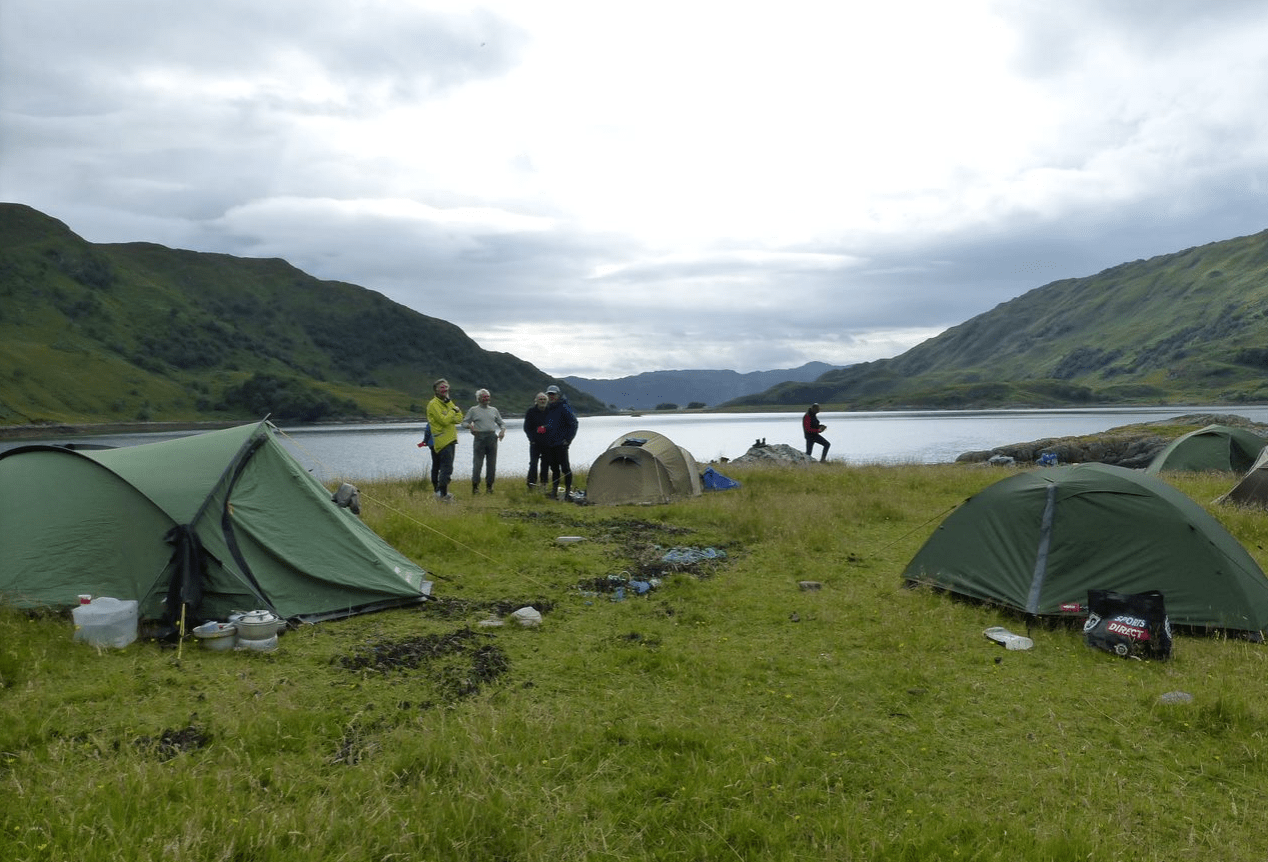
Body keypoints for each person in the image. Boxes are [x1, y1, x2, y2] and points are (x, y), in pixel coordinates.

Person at [537, 384, 578, 499]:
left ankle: (568, 492)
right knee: (554, 469)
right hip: (550, 444)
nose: (551, 396)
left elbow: (574, 424)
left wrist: (568, 440)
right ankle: (554, 492)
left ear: (558, 395)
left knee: (565, 468)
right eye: (549, 394)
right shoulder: (548, 408)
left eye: (553, 394)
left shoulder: (564, 407)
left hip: (561, 444)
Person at [461, 388, 506, 494]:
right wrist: (470, 427)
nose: (486, 398)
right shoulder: (473, 410)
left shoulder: (494, 410)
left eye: (487, 396)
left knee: (491, 464)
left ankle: (489, 487)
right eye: (484, 397)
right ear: (479, 399)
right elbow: (463, 423)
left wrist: (502, 431)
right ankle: (475, 487)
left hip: (492, 437)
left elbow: (501, 423)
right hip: (479, 438)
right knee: (477, 464)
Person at [426, 378, 463, 501]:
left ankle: (441, 492)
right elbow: (444, 420)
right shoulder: (433, 404)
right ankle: (442, 494)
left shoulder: (448, 403)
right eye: (441, 387)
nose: (445, 389)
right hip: (442, 440)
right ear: (435, 390)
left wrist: (451, 411)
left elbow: (459, 418)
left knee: (446, 467)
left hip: (451, 439)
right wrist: (453, 411)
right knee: (445, 468)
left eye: (446, 387)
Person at [523, 392, 549, 490]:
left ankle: (544, 484)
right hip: (535, 442)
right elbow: (526, 427)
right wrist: (531, 439)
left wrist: (546, 428)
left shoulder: (549, 411)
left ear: (547, 401)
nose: (542, 401)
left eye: (544, 399)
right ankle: (531, 484)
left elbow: (553, 425)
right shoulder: (530, 411)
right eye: (540, 399)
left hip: (547, 442)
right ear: (536, 401)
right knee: (533, 463)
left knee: (545, 464)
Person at [416, 421, 438, 492]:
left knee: (435, 465)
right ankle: (442, 486)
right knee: (444, 465)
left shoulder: (430, 422)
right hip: (444, 445)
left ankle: (435, 486)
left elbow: (427, 432)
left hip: (432, 445)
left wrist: (425, 441)